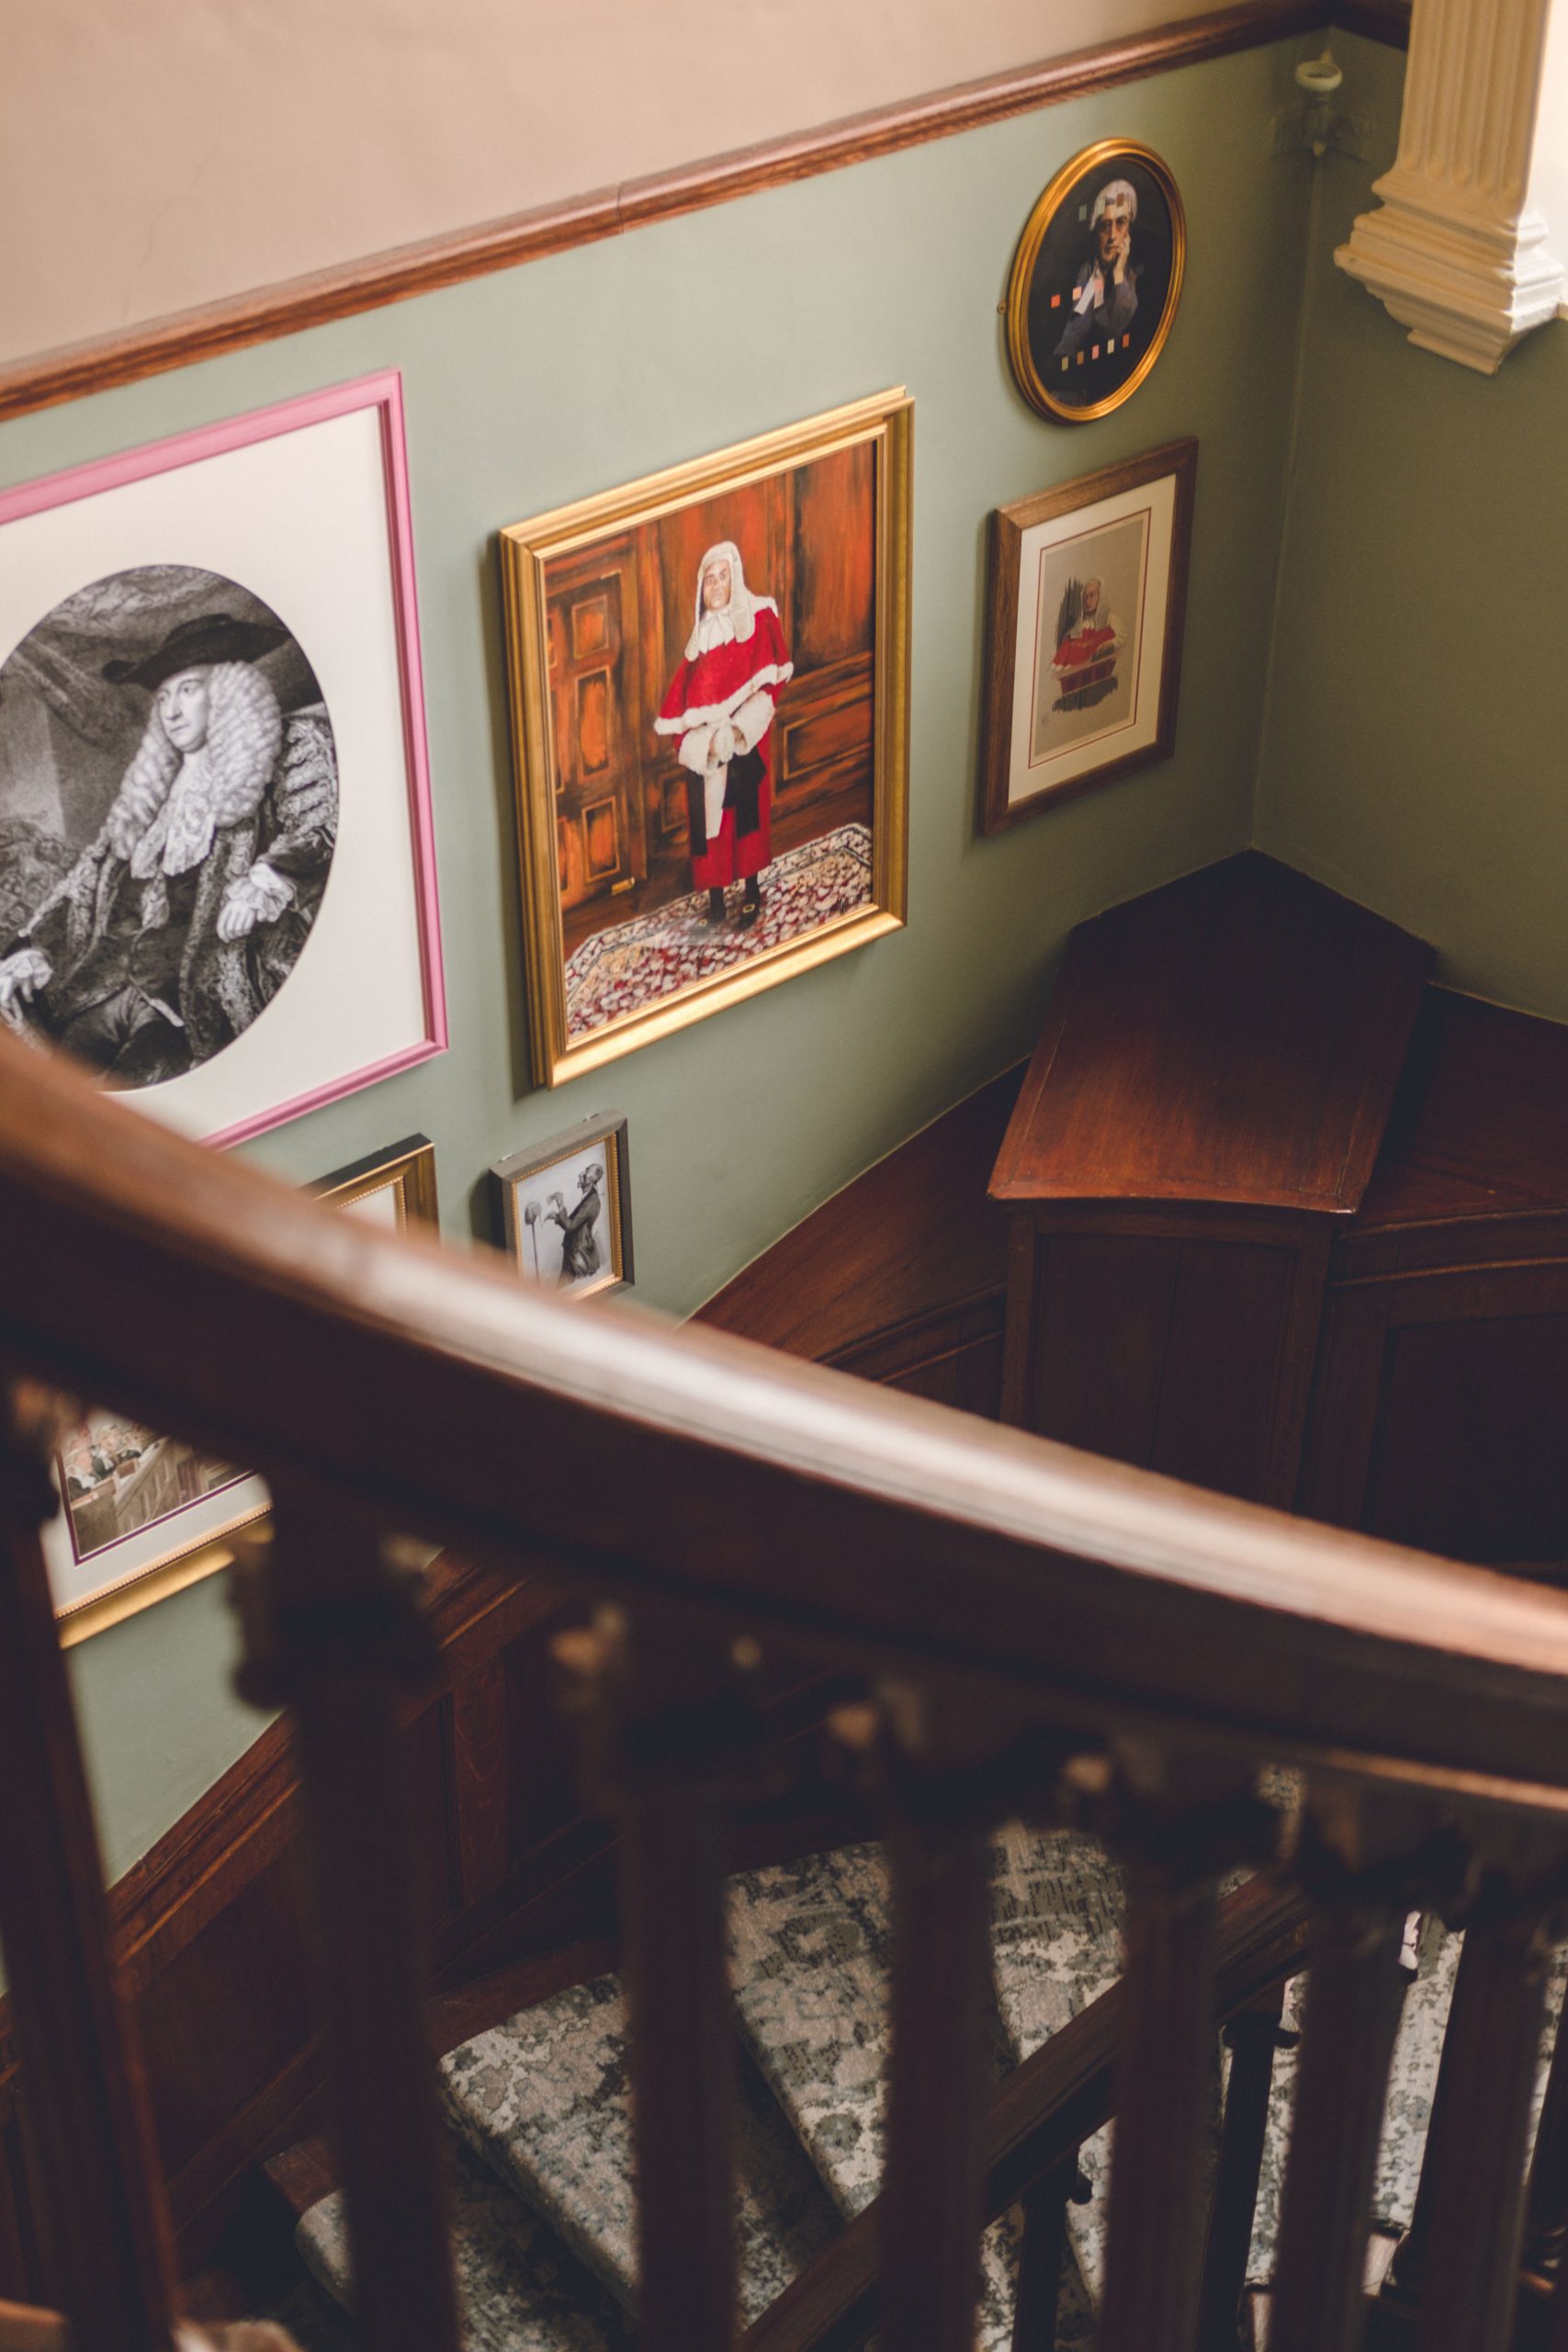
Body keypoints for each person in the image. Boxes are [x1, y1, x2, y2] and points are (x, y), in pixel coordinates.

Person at [0, 612, 337, 1087]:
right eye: (163, 697)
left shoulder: (290, 745)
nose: (172, 710)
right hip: (103, 988)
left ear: (229, 690)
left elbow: (316, 823)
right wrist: (29, 947)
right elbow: (86, 882)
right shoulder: (153, 792)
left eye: (188, 689)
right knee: (56, 1092)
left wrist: (264, 882)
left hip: (196, 996)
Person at [654, 541, 793, 929]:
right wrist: (705, 745)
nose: (716, 586)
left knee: (747, 820)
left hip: (745, 740)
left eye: (723, 576)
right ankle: (716, 897)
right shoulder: (696, 648)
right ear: (701, 588)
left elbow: (773, 683)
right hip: (710, 752)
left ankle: (751, 890)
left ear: (736, 577)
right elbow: (676, 716)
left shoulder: (759, 619)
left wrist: (740, 729)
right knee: (710, 826)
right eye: (709, 579)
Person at [1053, 178, 1140, 364]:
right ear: (1096, 230)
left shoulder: (1132, 277)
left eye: (1120, 223)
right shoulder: (1084, 273)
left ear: (1128, 232)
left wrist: (1118, 272)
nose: (1112, 236)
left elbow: (1114, 330)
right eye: (1105, 225)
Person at [1050, 577, 1126, 713]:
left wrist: (1109, 645)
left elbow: (1121, 640)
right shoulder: (1077, 626)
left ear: (1101, 597)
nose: (1087, 601)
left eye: (1092, 595)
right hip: (1073, 682)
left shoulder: (1111, 619)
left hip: (1100, 675)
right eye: (1085, 597)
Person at [547, 1163, 604, 1285]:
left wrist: (561, 1205)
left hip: (578, 1253)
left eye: (587, 1171)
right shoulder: (589, 1198)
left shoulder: (592, 1202)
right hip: (573, 1250)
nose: (581, 1174)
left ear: (593, 1179)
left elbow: (570, 1226)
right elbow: (576, 1223)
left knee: (564, 1291)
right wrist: (557, 1218)